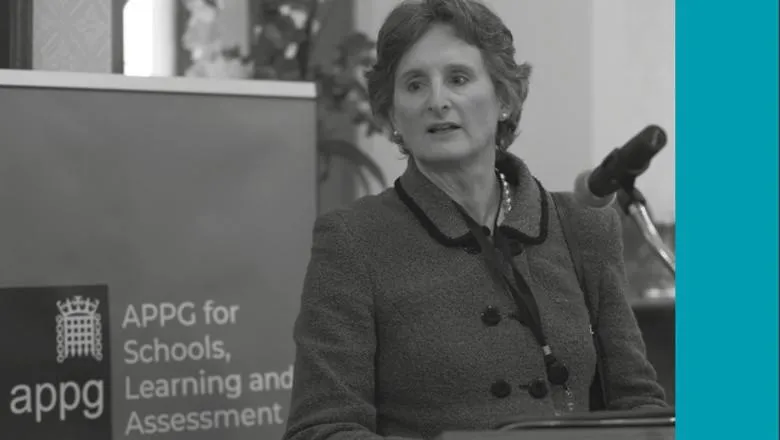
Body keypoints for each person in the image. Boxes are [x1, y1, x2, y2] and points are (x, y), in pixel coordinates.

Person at [282, 0, 668, 439]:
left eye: (458, 78)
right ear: (392, 115)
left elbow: (641, 409)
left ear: (504, 97)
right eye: (414, 85)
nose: (437, 101)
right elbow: (321, 429)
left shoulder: (584, 227)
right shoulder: (353, 241)